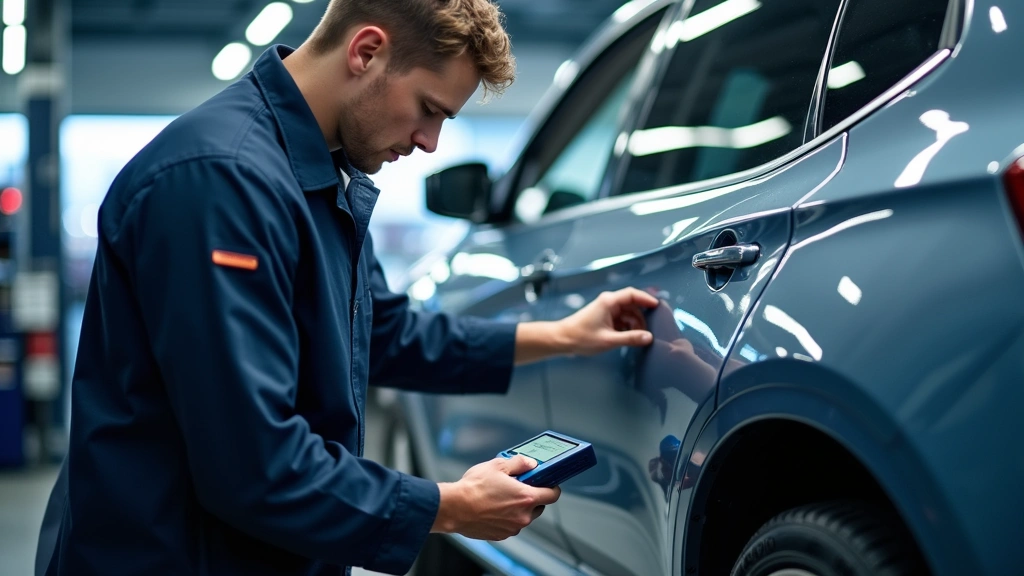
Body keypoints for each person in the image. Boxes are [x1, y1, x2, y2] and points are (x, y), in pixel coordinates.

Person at [36, 0, 659, 574]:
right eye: (430, 108)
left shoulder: (312, 175)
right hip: (170, 556)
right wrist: (448, 506)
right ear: (366, 52)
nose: (429, 142)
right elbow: (253, 464)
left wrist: (563, 336)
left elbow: (382, 332)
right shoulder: (223, 184)